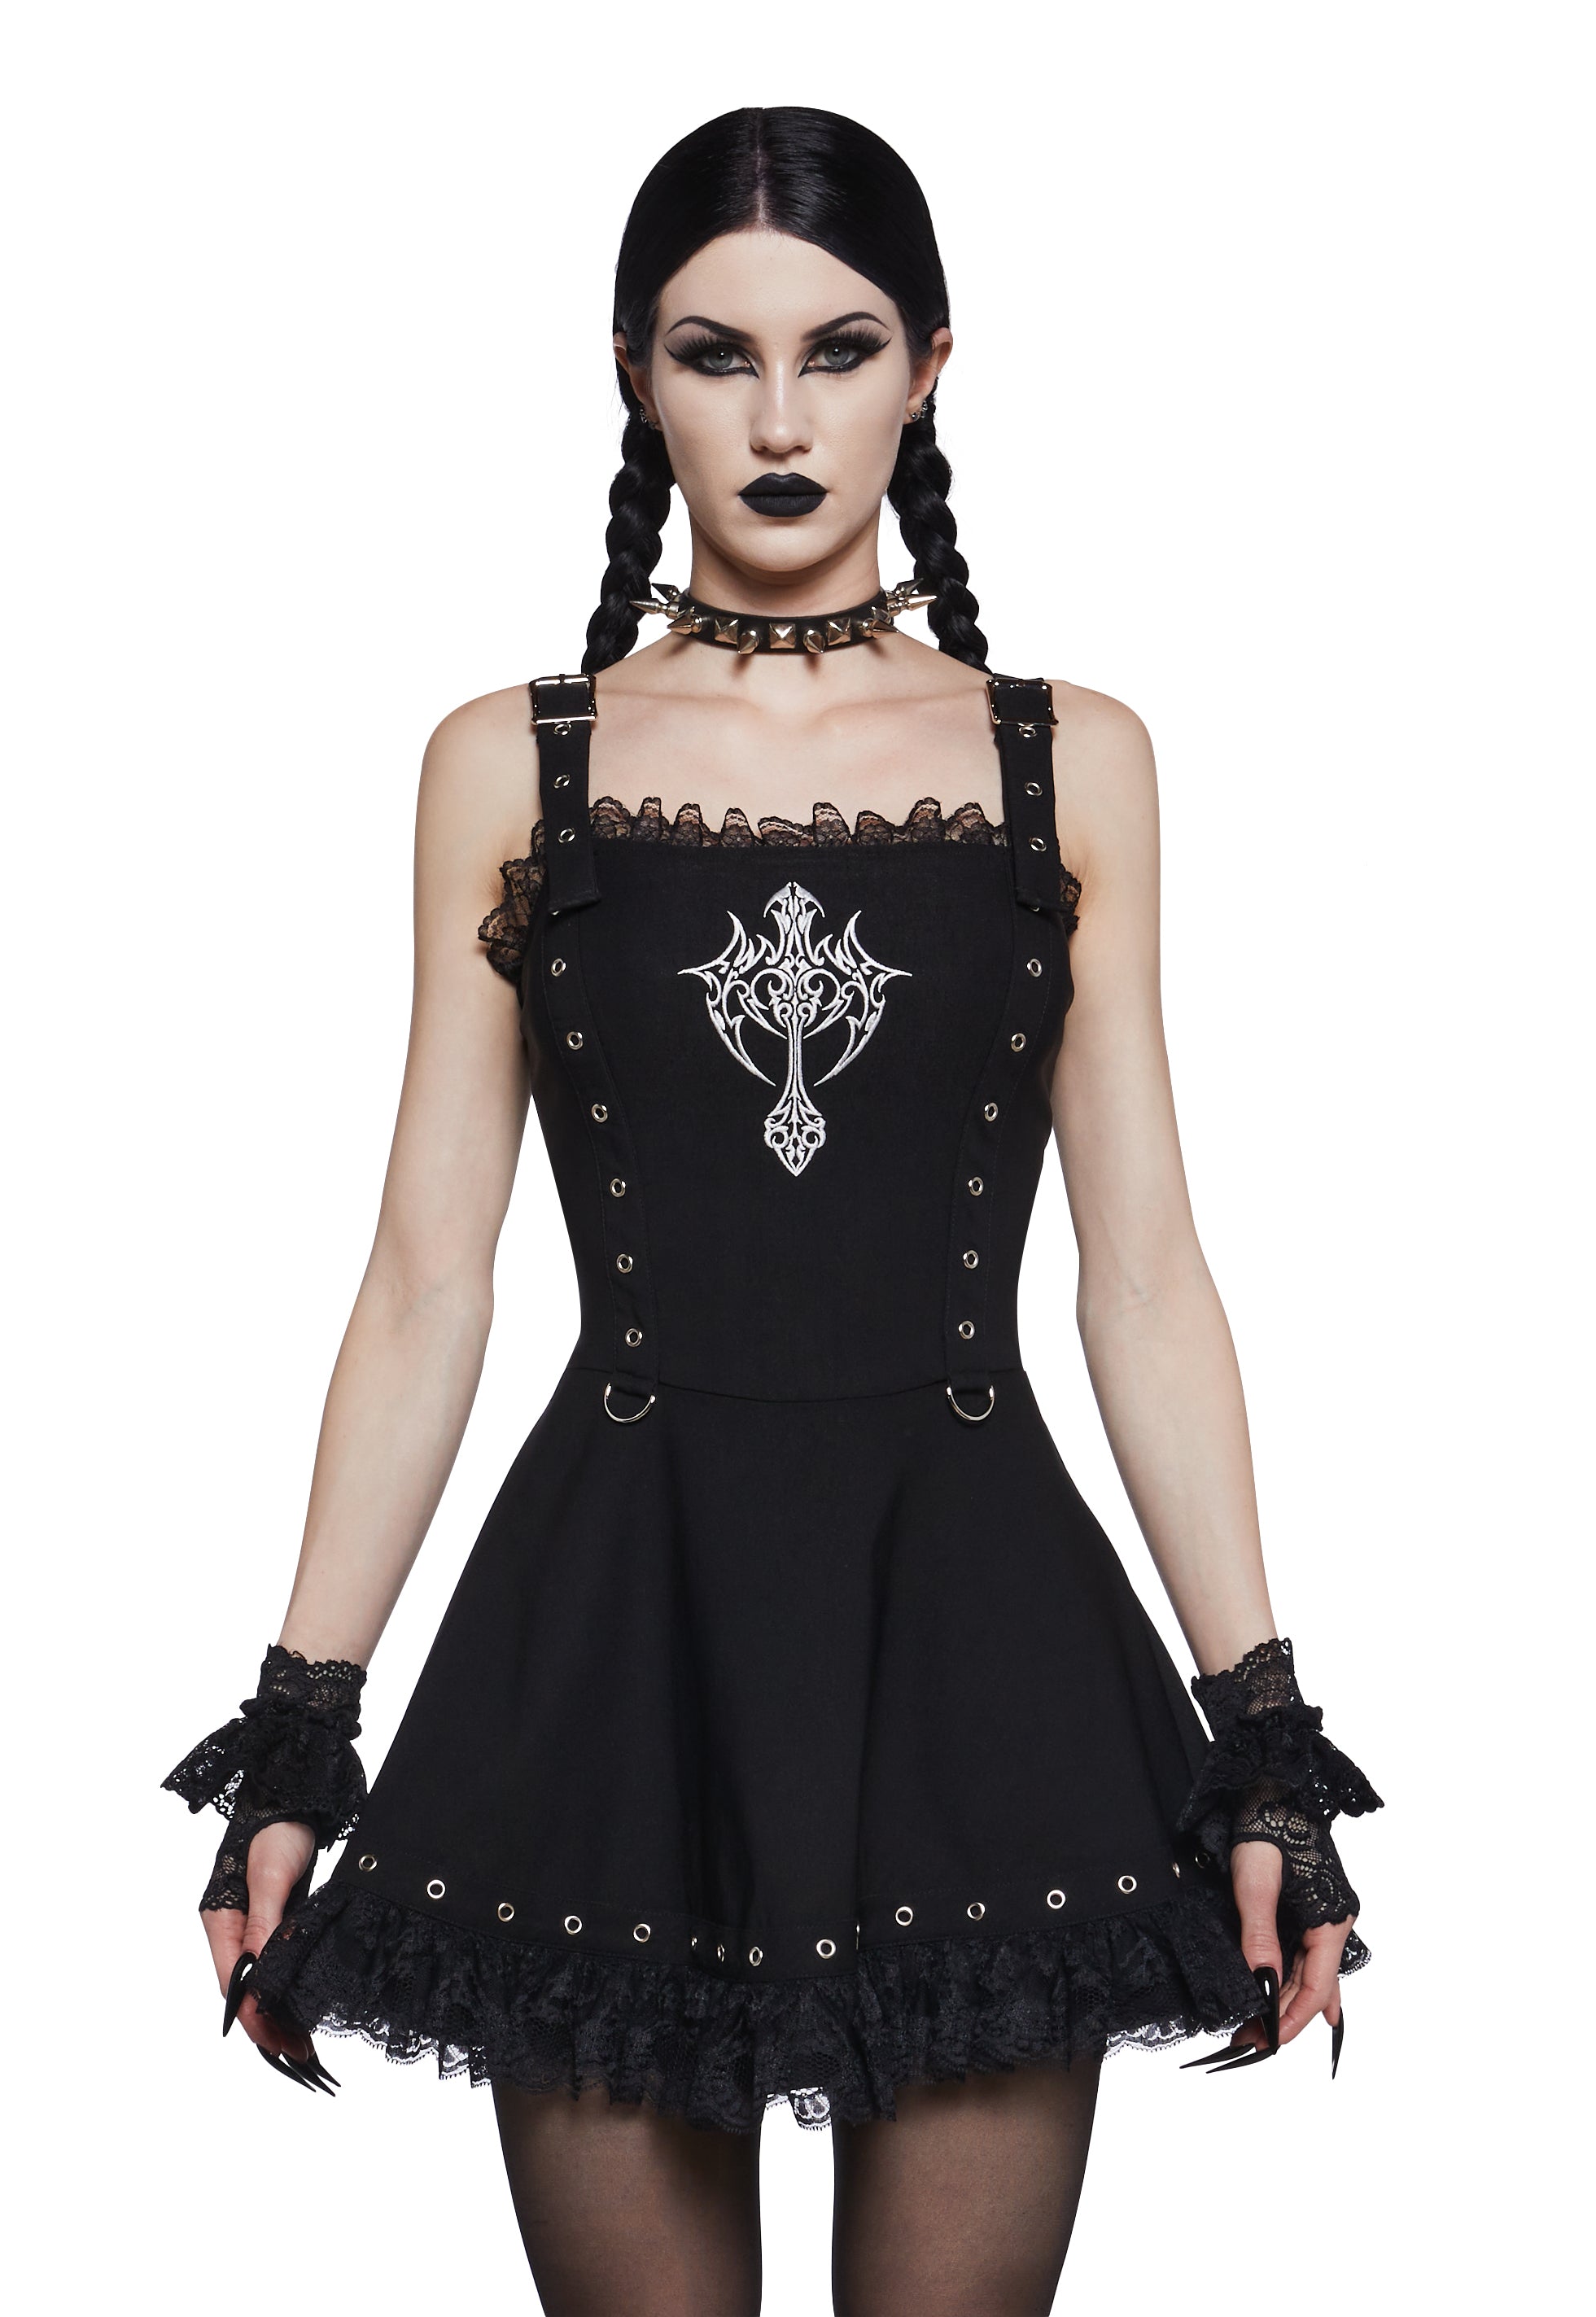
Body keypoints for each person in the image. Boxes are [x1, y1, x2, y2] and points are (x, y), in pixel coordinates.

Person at [164, 106, 1383, 2316]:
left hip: (977, 1637)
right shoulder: (507, 762)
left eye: (839, 350)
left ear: (931, 368)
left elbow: (1145, 1278)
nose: (783, 418)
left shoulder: (1072, 759)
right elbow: (429, 1280)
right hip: (617, 1643)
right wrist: (300, 1723)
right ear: (637, 377)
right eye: (718, 355)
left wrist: (1266, 1738)